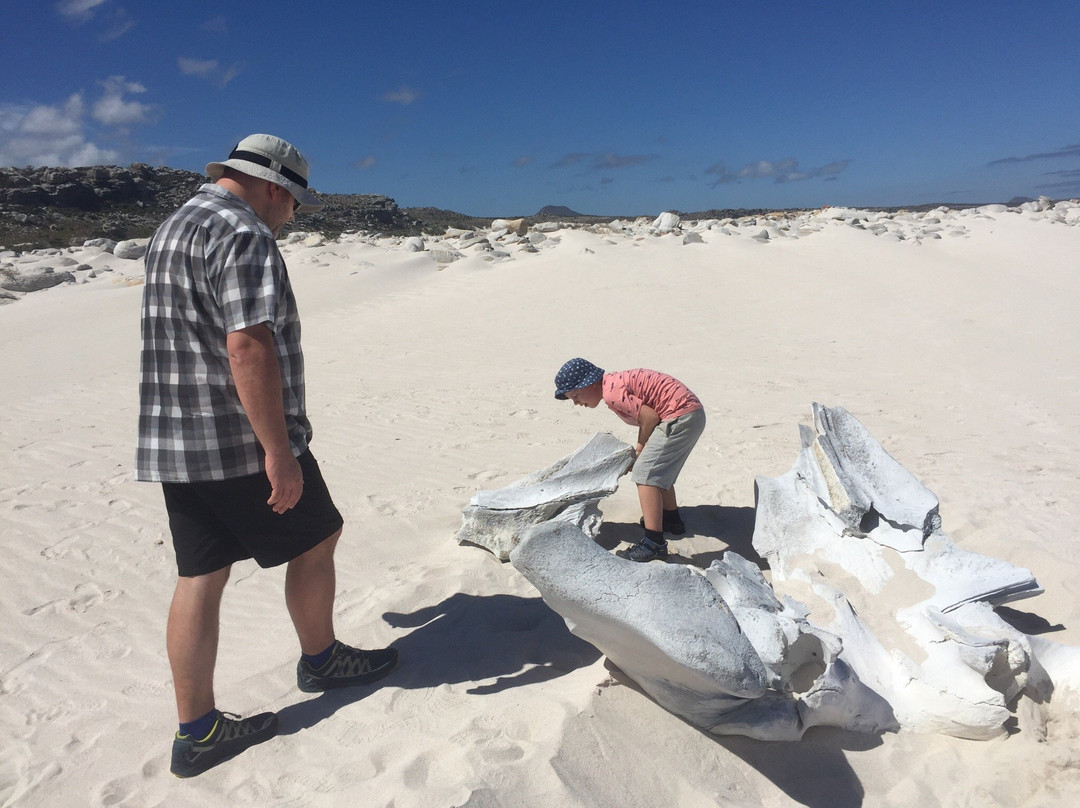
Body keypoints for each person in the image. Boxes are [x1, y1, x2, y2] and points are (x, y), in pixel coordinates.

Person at [136, 134, 398, 778]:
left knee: (201, 575)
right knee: (320, 535)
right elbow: (247, 347)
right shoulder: (244, 233)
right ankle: (322, 658)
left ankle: (196, 731)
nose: (293, 217)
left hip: (175, 439)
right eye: (297, 205)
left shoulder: (173, 226)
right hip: (238, 441)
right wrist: (278, 452)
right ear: (276, 188)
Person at [554, 358, 706, 562]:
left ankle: (654, 543)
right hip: (688, 413)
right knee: (658, 469)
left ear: (589, 384)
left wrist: (640, 450)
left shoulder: (611, 394)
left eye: (576, 395)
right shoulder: (613, 383)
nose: (576, 402)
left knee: (645, 474)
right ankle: (670, 519)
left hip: (680, 416)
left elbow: (650, 417)